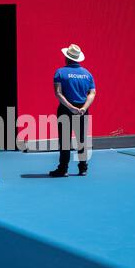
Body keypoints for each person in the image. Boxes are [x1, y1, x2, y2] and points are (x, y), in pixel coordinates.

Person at [49, 44, 96, 177]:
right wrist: (83, 108)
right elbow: (92, 93)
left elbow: (58, 93)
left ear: (66, 57)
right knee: (82, 139)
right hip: (82, 110)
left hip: (65, 109)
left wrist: (70, 108)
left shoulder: (60, 72)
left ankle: (63, 169)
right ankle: (83, 168)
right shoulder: (87, 74)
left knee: (65, 140)